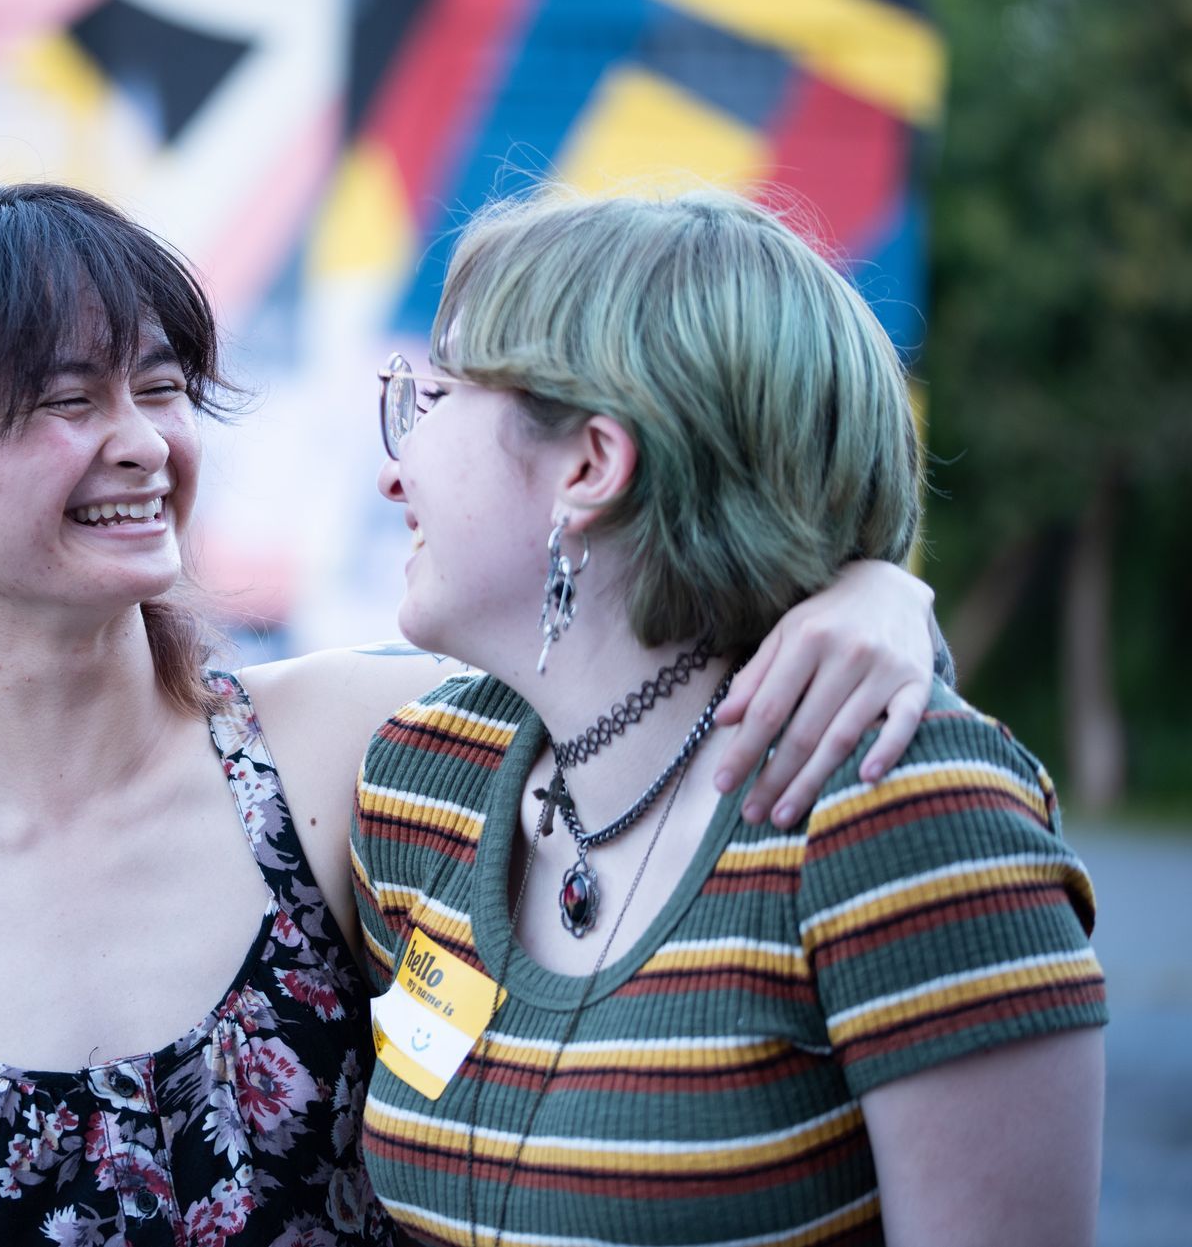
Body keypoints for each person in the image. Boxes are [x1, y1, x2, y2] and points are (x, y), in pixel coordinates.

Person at [0, 167, 944, 1247]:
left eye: (159, 389)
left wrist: (872, 593)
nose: (143, 442)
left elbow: (649, 676)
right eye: (66, 400)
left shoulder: (347, 750)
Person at [351, 186, 1106, 1245]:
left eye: (431, 401)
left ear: (589, 466)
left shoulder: (901, 811)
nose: (395, 470)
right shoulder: (422, 778)